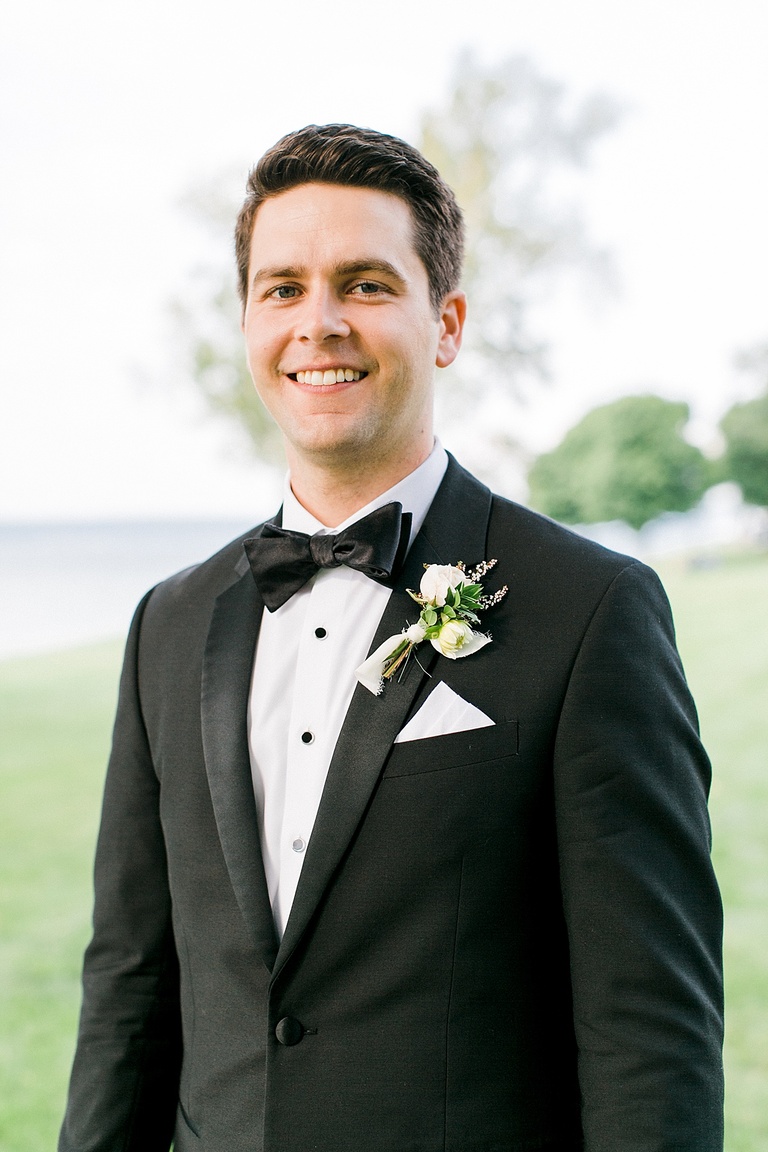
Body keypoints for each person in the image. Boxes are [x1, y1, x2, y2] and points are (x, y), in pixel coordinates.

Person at [59, 124, 724, 1152]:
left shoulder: (592, 611)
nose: (317, 322)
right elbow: (128, 988)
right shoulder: (170, 623)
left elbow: (650, 1032)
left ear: (446, 322)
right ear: (248, 322)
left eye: (364, 284)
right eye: (282, 288)